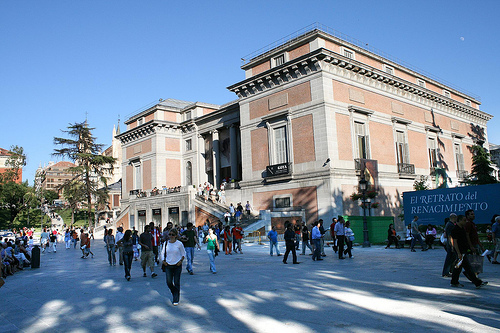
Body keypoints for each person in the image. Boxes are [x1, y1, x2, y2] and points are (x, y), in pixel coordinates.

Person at [450, 215, 487, 288]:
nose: (465, 222)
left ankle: (455, 282)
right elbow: (454, 242)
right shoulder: (455, 229)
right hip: (460, 252)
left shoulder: (462, 228)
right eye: (464, 220)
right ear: (459, 220)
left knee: (461, 268)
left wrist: (469, 248)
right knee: (464, 268)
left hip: (464, 250)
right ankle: (477, 282)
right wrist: (458, 253)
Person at [160, 228, 185, 306]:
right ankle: (174, 292)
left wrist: (180, 261)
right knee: (169, 282)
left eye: (172, 235)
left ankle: (176, 298)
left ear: (176, 236)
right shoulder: (166, 243)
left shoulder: (179, 244)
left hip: (177, 265)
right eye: (170, 234)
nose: (171, 236)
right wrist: (163, 261)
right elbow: (162, 252)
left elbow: (183, 254)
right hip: (168, 264)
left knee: (176, 282)